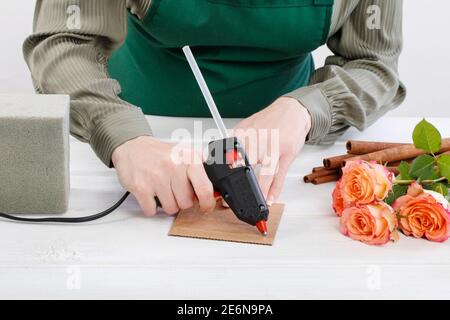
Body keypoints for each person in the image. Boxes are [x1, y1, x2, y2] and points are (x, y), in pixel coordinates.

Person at [23, 0, 405, 216]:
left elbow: (373, 63)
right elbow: (63, 42)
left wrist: (305, 109)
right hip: (135, 142)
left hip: (292, 148)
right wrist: (119, 134)